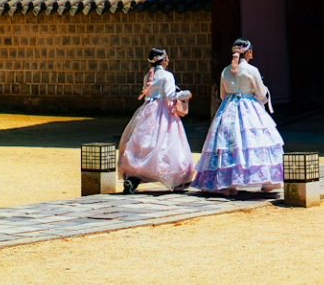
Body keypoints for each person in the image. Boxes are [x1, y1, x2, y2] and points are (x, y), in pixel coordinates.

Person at [192, 38, 284, 196]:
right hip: (248, 106)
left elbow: (222, 95)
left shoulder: (225, 71)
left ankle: (226, 183)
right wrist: (261, 98)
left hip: (228, 108)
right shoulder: (251, 70)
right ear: (248, 52)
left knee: (226, 145)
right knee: (254, 141)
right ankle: (268, 181)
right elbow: (261, 94)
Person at [118, 48, 195, 193]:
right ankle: (177, 179)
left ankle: (134, 177)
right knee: (167, 142)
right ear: (164, 59)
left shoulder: (148, 75)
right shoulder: (167, 75)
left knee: (144, 141)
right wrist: (186, 94)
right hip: (163, 112)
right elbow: (169, 95)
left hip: (147, 110)